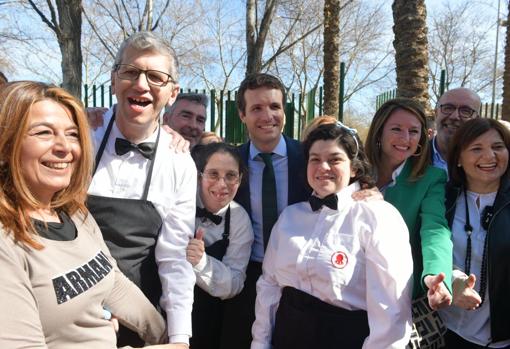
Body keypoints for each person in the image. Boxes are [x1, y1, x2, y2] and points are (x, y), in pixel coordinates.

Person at [0, 81, 182, 348]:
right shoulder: (7, 243)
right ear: (6, 145)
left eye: (72, 134)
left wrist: (165, 335)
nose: (65, 147)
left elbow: (114, 283)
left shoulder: (74, 213)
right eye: (44, 133)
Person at [251, 123, 413, 349]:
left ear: (354, 168)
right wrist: (260, 343)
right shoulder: (289, 217)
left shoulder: (377, 217)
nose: (323, 167)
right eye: (315, 159)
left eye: (335, 159)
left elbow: (391, 311)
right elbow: (269, 285)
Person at [86, 31, 195, 348]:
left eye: (156, 77)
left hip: (138, 316)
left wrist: (179, 337)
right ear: (113, 79)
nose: (141, 84)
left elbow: (175, 258)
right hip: (70, 311)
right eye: (130, 72)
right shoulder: (80, 133)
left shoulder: (180, 163)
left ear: (172, 93)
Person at [221, 73, 310, 349]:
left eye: (274, 106)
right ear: (242, 114)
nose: (267, 116)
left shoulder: (309, 158)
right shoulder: (229, 162)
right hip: (245, 276)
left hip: (300, 279)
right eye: (256, 108)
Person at [364, 98, 453, 305]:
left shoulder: (431, 179)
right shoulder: (353, 169)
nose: (405, 138)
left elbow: (435, 230)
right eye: (396, 129)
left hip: (394, 294)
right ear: (379, 131)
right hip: (346, 288)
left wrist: (435, 277)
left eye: (414, 131)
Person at [440, 118, 510, 348]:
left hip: (499, 338)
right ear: (459, 158)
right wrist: (452, 277)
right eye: (477, 148)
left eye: (498, 147)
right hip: (442, 328)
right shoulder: (442, 198)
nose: (490, 156)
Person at [186, 142, 254, 349]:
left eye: (231, 176)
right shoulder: (181, 204)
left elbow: (235, 283)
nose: (222, 184)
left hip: (210, 320)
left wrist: (200, 262)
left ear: (240, 180)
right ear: (200, 176)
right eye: (213, 174)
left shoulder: (240, 219)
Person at [432, 88, 481, 171]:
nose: (454, 116)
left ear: (476, 119)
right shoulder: (411, 157)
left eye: (465, 111)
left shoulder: (486, 162)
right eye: (448, 108)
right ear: (436, 114)